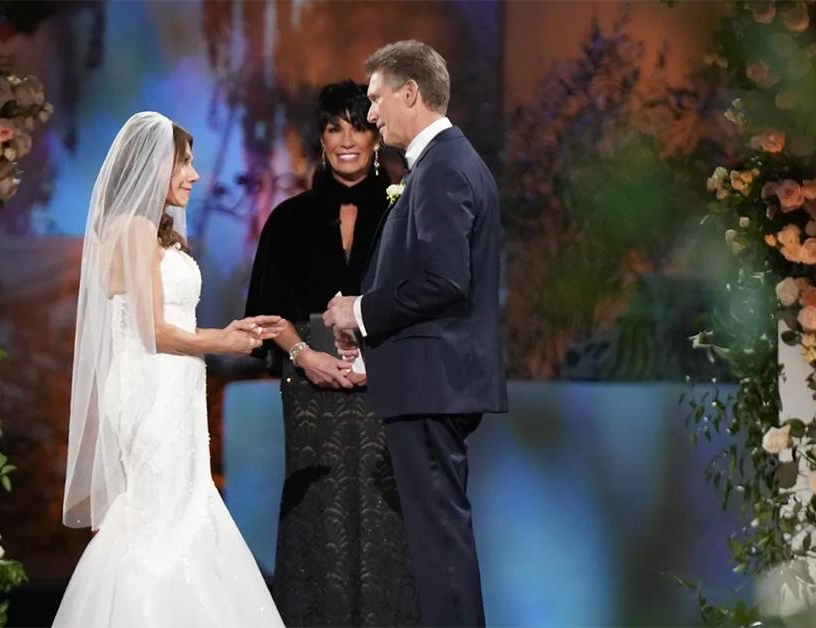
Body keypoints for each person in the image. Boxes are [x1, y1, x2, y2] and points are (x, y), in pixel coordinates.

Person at [55, 112, 286, 627]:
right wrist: (220, 340)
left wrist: (223, 335)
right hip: (151, 390)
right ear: (154, 167)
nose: (195, 175)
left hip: (174, 387)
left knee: (182, 511)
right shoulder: (133, 228)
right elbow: (149, 329)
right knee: (157, 523)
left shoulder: (150, 232)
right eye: (185, 162)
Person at [323, 41, 508, 628]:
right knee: (438, 542)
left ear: (410, 93)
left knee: (440, 545)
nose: (371, 115)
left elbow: (445, 279)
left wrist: (359, 312)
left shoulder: (445, 166)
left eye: (376, 100)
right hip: (433, 381)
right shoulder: (440, 165)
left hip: (434, 384)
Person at [245, 80, 419, 627]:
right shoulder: (287, 220)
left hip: (385, 393)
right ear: (320, 140)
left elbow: (426, 305)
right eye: (333, 128)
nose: (347, 140)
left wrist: (379, 362)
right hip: (309, 394)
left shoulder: (405, 212)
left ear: (376, 136)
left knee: (385, 528)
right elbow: (265, 316)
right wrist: (304, 355)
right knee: (316, 527)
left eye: (359, 127)